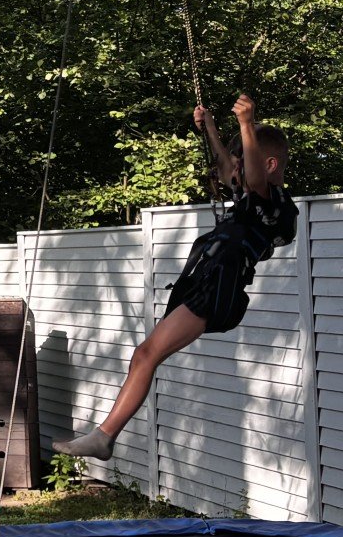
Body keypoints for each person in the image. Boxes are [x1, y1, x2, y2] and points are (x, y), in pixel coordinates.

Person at [54, 94, 295, 461]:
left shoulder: (273, 202)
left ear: (269, 163)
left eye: (243, 161)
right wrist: (211, 127)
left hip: (219, 290)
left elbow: (256, 179)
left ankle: (104, 437)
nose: (234, 168)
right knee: (144, 355)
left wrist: (247, 124)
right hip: (207, 284)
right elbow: (228, 166)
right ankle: (104, 436)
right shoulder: (250, 198)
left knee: (147, 354)